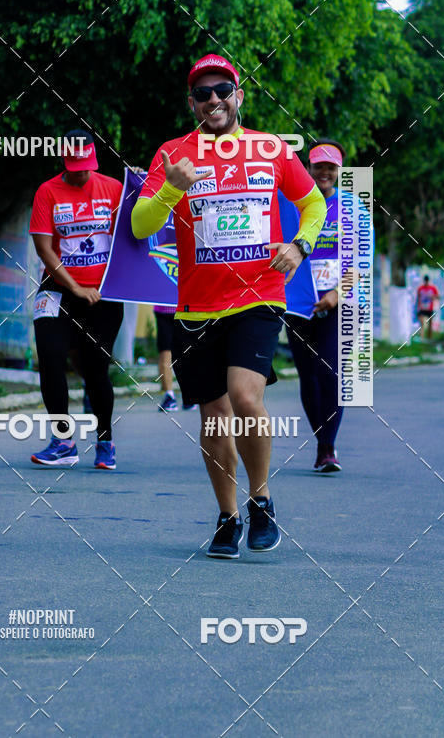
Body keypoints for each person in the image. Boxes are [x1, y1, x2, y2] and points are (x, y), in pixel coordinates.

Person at [132, 53, 325, 557]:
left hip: (258, 294)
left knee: (245, 398)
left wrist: (300, 244)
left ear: (239, 95)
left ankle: (261, 501)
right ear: (191, 102)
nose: (213, 99)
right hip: (196, 307)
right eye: (202, 93)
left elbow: (313, 204)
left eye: (222, 90)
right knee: (214, 418)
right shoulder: (173, 155)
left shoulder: (272, 149)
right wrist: (174, 185)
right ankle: (227, 516)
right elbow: (140, 226)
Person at [29, 129, 124, 470]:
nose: (81, 172)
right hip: (58, 289)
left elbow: (138, 234)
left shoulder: (114, 189)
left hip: (104, 297)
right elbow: (44, 248)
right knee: (51, 356)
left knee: (96, 369)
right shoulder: (48, 192)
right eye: (75, 166)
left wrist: (146, 187)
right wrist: (75, 288)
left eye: (87, 165)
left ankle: (105, 439)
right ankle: (63, 439)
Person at [284, 141, 347, 474]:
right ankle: (323, 443)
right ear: (308, 169)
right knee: (308, 377)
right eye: (318, 166)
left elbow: (360, 259)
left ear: (338, 172)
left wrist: (337, 292)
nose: (324, 173)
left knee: (329, 373)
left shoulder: (351, 208)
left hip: (337, 303)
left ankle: (328, 447)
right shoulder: (291, 204)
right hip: (297, 305)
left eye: (330, 168)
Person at [154, 304, 197, 411]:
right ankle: (170, 396)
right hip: (164, 311)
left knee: (186, 355)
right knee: (165, 354)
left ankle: (188, 396)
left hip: (185, 310)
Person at [416, 275, 440, 340]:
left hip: (430, 309)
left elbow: (438, 297)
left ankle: (429, 338)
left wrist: (433, 297)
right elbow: (418, 298)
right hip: (422, 309)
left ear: (428, 281)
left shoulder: (433, 288)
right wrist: (417, 308)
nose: (426, 282)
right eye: (425, 281)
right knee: (422, 323)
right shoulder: (420, 288)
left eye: (427, 281)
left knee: (430, 324)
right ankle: (422, 338)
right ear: (424, 281)